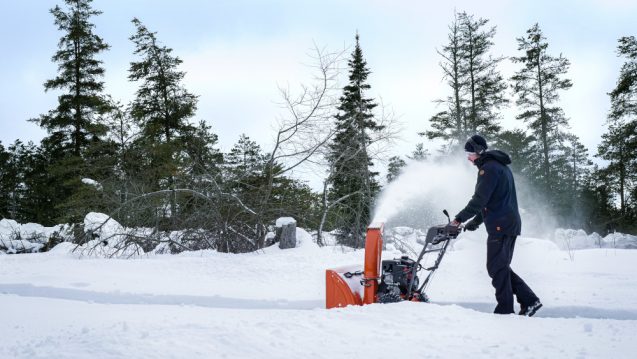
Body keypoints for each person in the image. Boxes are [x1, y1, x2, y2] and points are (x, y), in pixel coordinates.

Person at [450, 134, 542, 316]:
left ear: (479, 151)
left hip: (501, 225)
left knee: (496, 267)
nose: (468, 158)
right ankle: (529, 301)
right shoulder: (499, 166)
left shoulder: (489, 169)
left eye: (469, 153)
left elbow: (479, 200)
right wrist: (474, 223)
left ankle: (507, 309)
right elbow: (491, 201)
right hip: (507, 222)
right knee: (500, 266)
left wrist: (459, 219)